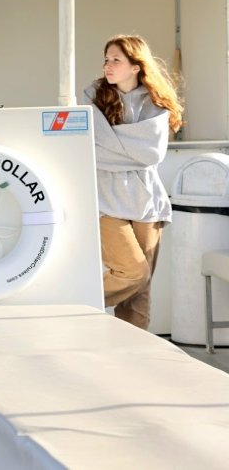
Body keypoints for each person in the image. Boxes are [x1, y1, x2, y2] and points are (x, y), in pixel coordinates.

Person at [83, 35, 183, 330]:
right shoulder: (92, 97)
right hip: (105, 200)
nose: (107, 65)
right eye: (106, 59)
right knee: (133, 274)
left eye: (116, 60)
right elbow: (89, 149)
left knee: (140, 293)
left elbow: (151, 154)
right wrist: (132, 149)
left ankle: (134, 354)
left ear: (136, 66)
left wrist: (111, 142)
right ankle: (73, 302)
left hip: (147, 202)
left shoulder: (156, 102)